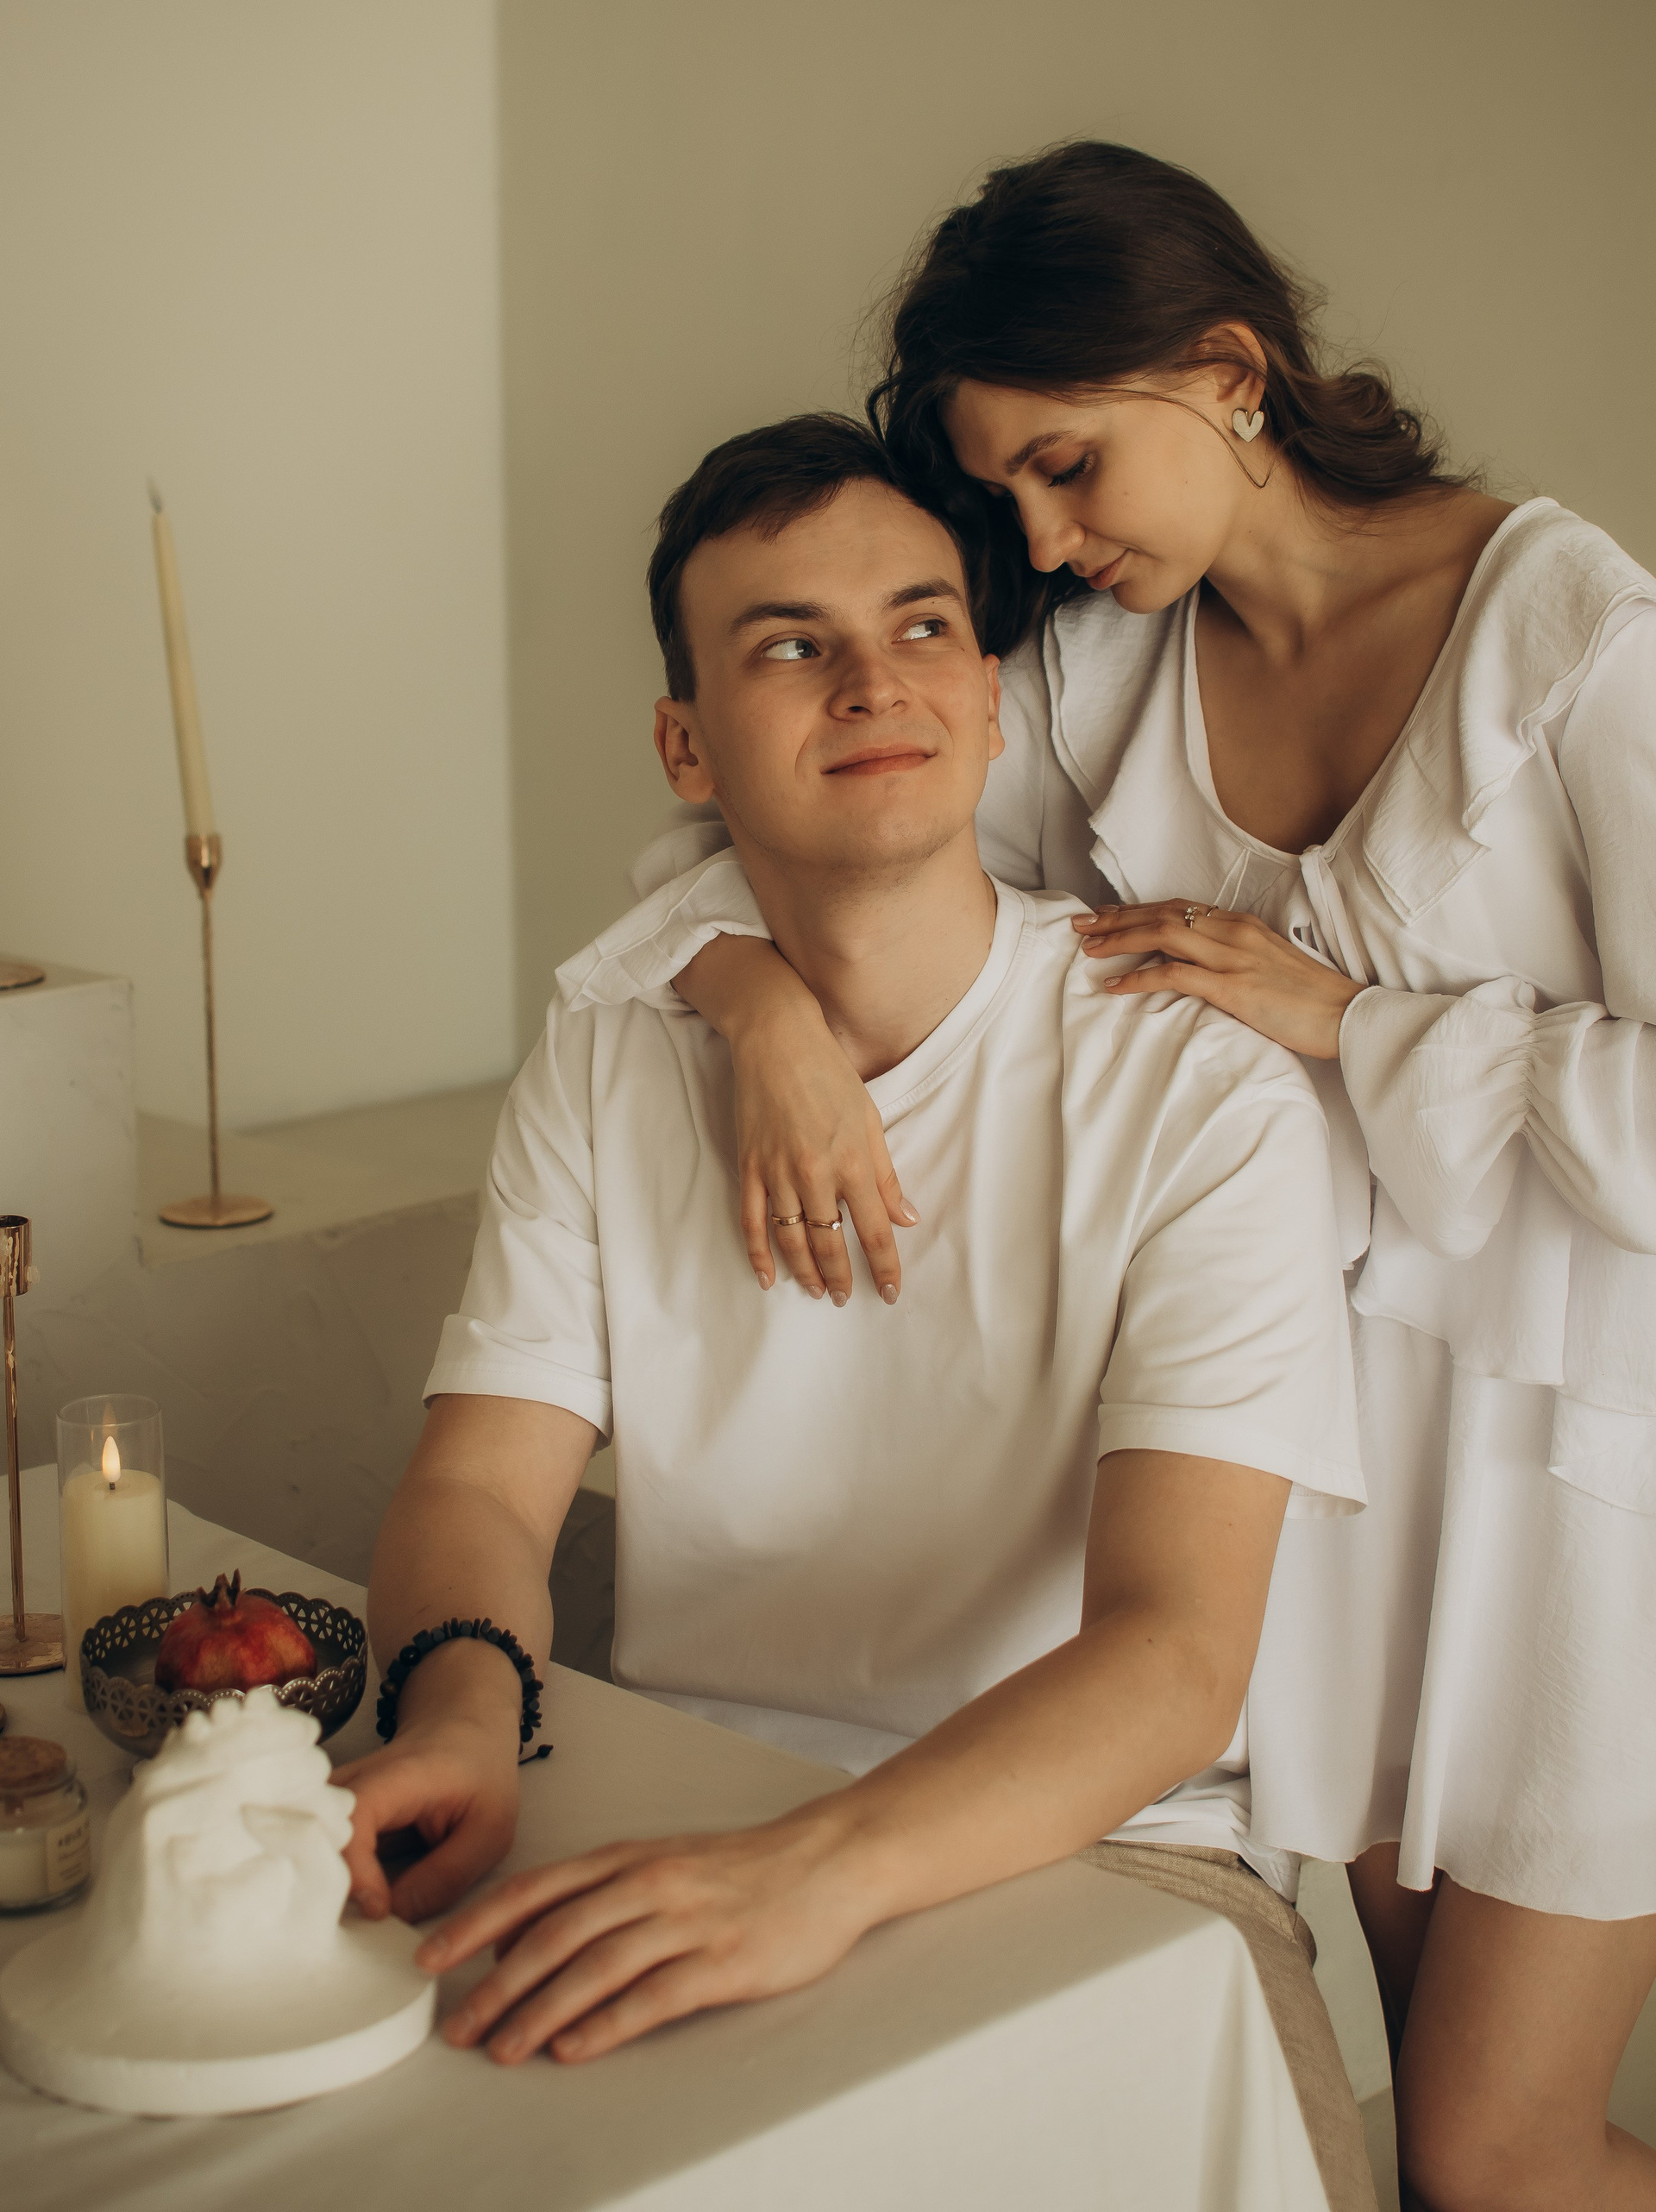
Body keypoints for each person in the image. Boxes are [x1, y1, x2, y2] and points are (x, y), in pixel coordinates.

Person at [586, 147, 1656, 2212]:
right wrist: (758, 1009)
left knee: (1492, 2156)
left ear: (1232, 371)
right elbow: (804, 848)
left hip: (1573, 1479)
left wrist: (1355, 1023)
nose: (1045, 540)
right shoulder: (1103, 672)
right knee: (1437, 2159)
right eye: (1006, 496)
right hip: (1317, 1474)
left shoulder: (1575, 643)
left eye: (1066, 468)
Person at [337, 413, 1375, 2207]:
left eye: (920, 628)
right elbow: (484, 1485)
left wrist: (819, 1872)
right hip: (691, 1790)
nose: (871, 682)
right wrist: (457, 1717)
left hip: (1119, 1849)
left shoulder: (1194, 1087)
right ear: (685, 744)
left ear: (989, 694)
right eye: (787, 646)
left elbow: (1176, 1656)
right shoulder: (606, 1058)